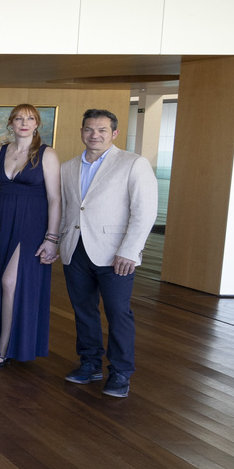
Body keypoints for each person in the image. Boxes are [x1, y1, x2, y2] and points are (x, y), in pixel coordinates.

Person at [59, 109, 157, 398]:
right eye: (89, 129)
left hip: (116, 253)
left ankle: (121, 372)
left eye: (102, 130)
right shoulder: (68, 167)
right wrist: (56, 241)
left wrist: (130, 250)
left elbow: (144, 211)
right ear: (82, 132)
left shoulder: (133, 164)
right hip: (75, 249)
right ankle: (90, 363)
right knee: (83, 311)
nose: (95, 135)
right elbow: (67, 208)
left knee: (118, 313)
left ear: (114, 133)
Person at [0, 104, 62, 368]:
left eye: (30, 118)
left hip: (32, 225)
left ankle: (3, 348)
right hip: (1, 222)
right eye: (19, 118)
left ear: (37, 124)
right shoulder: (1, 151)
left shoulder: (48, 154)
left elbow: (55, 199)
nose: (24, 122)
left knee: (10, 282)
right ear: (10, 123)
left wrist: (51, 238)